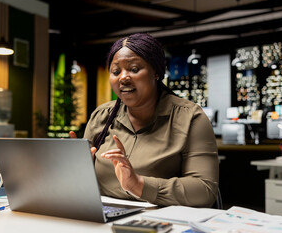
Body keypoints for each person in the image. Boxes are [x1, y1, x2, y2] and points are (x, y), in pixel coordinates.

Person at [71, 33, 219, 207]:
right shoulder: (102, 116)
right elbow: (80, 182)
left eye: (134, 69)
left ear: (156, 72)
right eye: (116, 71)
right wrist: (73, 169)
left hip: (161, 221)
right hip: (102, 215)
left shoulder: (190, 117)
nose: (123, 77)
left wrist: (139, 185)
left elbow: (204, 190)